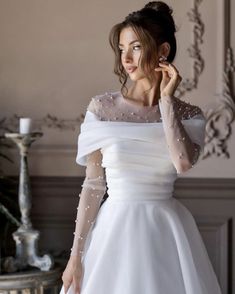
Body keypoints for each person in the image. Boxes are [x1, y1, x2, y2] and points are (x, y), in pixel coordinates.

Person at [60, 2, 222, 294]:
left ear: (162, 52)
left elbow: (183, 162)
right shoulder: (102, 108)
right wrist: (76, 257)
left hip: (166, 231)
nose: (126, 58)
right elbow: (94, 185)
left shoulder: (189, 115)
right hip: (113, 231)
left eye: (135, 47)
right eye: (122, 49)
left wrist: (167, 101)